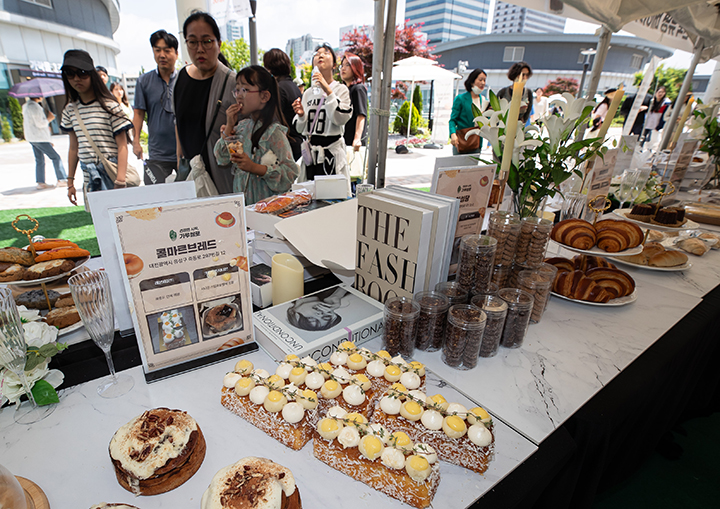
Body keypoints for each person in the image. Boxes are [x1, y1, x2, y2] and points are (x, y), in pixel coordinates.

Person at [213, 65, 298, 204]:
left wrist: (254, 167)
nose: (239, 95)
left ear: (264, 96)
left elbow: (289, 174)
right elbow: (221, 158)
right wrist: (229, 127)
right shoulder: (241, 127)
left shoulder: (273, 133)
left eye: (245, 90)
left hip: (266, 208)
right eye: (237, 90)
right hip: (244, 206)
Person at [174, 11, 236, 194]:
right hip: (191, 176)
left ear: (219, 43)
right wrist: (180, 156)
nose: (200, 49)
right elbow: (178, 121)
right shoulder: (180, 78)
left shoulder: (232, 82)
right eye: (192, 42)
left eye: (207, 41)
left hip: (223, 178)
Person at [59, 49, 132, 204]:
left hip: (112, 173)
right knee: (99, 225)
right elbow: (73, 148)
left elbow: (122, 146)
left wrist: (120, 180)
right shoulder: (70, 110)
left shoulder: (110, 106)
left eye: (82, 72)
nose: (76, 78)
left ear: (92, 74)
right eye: (70, 73)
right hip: (90, 177)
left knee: (121, 223)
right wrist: (70, 182)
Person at [291, 43, 352, 187]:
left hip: (332, 155)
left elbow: (340, 118)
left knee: (333, 199)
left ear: (334, 65)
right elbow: (299, 129)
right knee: (310, 199)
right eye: (317, 53)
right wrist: (300, 115)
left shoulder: (341, 89)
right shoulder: (308, 93)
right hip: (311, 156)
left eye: (326, 53)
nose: (320, 55)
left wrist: (328, 91)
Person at [133, 29, 180, 184]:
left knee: (188, 198)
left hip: (183, 152)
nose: (162, 55)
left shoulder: (184, 79)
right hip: (158, 153)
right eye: (157, 50)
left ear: (176, 54)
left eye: (167, 50)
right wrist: (136, 141)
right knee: (156, 198)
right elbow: (138, 113)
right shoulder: (144, 81)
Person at [263, 48, 303, 161]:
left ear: (270, 67)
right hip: (297, 142)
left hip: (286, 145)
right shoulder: (293, 86)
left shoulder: (278, 88)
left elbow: (274, 120)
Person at [22, 97, 67, 189]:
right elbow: (40, 124)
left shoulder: (25, 106)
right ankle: (61, 179)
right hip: (39, 138)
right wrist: (49, 119)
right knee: (55, 157)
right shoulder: (34, 107)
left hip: (32, 137)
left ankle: (41, 182)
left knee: (39, 160)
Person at [449, 68, 488, 155]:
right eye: (480, 79)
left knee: (473, 168)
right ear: (472, 81)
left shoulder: (485, 101)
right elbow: (452, 120)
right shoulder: (461, 98)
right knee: (458, 167)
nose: (483, 83)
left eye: (484, 80)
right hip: (461, 140)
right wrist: (452, 134)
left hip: (477, 141)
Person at [339, 52, 367, 151]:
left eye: (347, 65)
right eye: (341, 65)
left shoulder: (358, 89)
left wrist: (357, 138)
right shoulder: (344, 89)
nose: (343, 68)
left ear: (355, 67)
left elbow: (361, 115)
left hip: (353, 143)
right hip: (343, 140)